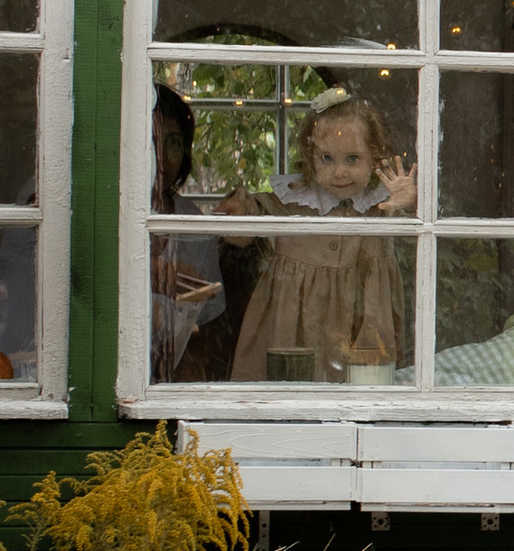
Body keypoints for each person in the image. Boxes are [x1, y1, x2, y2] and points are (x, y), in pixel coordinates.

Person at [223, 90, 415, 382]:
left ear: (374, 158)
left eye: (352, 159)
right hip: (295, 325)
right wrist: (240, 209)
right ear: (310, 158)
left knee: (364, 390)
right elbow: (253, 217)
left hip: (364, 324)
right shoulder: (294, 200)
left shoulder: (380, 204)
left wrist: (409, 203)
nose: (339, 172)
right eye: (327, 159)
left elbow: (417, 235)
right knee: (288, 389)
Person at [149, 83, 226, 381]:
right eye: (152, 141)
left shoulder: (192, 222)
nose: (163, 156)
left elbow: (206, 326)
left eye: (173, 143)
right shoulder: (107, 213)